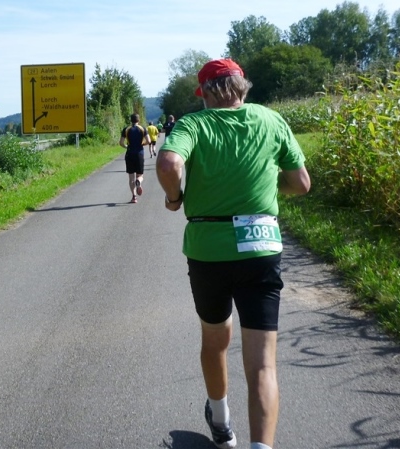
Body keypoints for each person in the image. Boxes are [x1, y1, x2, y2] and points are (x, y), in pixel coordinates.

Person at [156, 59, 311, 449]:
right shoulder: (272, 120)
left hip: (208, 251)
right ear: (242, 87)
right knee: (263, 364)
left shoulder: (194, 124)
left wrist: (174, 198)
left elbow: (169, 162)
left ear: (206, 94)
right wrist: (270, 189)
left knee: (215, 339)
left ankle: (222, 423)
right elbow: (301, 183)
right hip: (261, 247)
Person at [119, 113, 151, 204]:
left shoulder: (126, 129)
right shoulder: (143, 128)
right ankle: (139, 181)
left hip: (129, 154)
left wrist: (126, 146)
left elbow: (121, 142)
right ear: (138, 120)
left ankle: (134, 197)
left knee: (131, 177)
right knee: (140, 175)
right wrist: (142, 144)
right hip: (139, 154)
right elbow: (148, 141)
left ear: (131, 120)